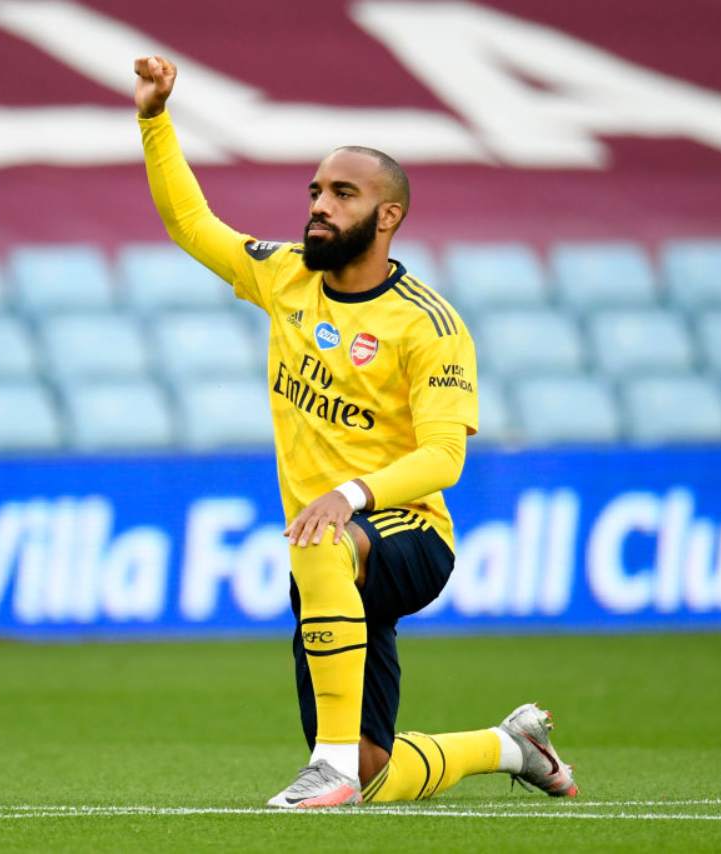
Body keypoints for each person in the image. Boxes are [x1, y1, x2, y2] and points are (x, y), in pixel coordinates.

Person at [133, 55, 577, 809]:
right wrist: (155, 120)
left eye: (343, 193)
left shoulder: (428, 324)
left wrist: (347, 495)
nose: (319, 206)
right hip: (327, 555)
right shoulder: (284, 277)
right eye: (315, 191)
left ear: (388, 215)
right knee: (378, 772)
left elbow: (443, 456)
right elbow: (190, 225)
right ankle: (510, 746)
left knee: (320, 554)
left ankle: (326, 764)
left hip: (406, 536)